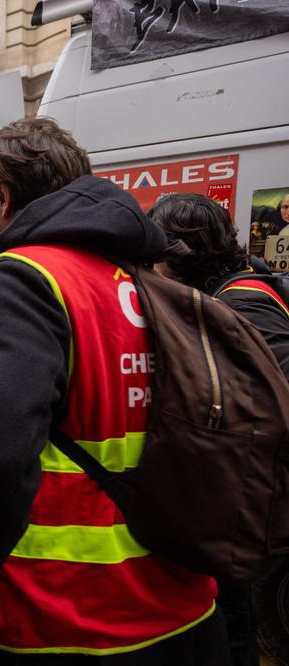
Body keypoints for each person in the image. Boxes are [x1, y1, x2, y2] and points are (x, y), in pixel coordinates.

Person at [0, 118, 228, 663]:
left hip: (57, 614)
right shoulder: (141, 278)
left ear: (4, 200)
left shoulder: (27, 274)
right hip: (182, 606)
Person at [149, 193, 289, 666]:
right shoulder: (232, 291)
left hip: (246, 497)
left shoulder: (244, 303)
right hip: (242, 493)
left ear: (178, 254)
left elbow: (277, 397)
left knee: (233, 625)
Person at [150, 193, 289, 380]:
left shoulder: (242, 305)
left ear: (178, 252)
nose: (151, 265)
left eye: (155, 253)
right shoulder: (225, 289)